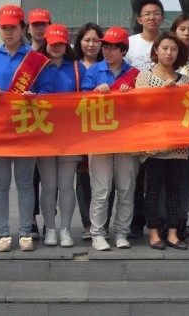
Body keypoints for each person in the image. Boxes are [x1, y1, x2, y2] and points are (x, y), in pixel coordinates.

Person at [0, 5, 53, 253]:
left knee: (25, 184)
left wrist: (35, 95)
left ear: (22, 29)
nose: (9, 32)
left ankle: (24, 232)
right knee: (0, 184)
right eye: (4, 28)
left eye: (13, 27)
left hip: (26, 128)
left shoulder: (36, 60)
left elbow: (47, 90)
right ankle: (3, 232)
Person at [82, 26, 140, 251]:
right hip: (100, 136)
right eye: (105, 46)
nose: (107, 51)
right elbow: (80, 100)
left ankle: (122, 233)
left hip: (127, 138)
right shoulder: (94, 71)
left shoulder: (135, 74)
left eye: (112, 47)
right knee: (101, 189)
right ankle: (97, 233)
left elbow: (144, 105)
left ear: (123, 50)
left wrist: (132, 94)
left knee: (126, 188)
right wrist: (95, 91)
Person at [135, 33, 189, 250]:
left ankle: (173, 233)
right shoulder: (144, 77)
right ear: (156, 51)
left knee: (174, 188)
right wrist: (162, 93)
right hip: (154, 142)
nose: (169, 53)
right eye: (165, 48)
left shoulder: (185, 80)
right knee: (154, 188)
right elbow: (140, 107)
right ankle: (153, 233)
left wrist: (177, 94)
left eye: (174, 49)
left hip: (178, 143)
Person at [36, 24, 85, 247]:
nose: (56, 47)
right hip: (43, 134)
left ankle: (65, 229)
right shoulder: (36, 66)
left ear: (67, 45)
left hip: (69, 135)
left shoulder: (77, 68)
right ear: (45, 43)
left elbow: (87, 94)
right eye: (52, 43)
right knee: (48, 186)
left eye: (60, 44)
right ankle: (50, 228)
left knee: (66, 185)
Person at [125, 0, 164, 237]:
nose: (151, 17)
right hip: (133, 117)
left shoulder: (167, 44)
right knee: (134, 175)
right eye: (147, 13)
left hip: (160, 118)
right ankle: (135, 222)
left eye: (156, 13)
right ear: (139, 19)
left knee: (157, 174)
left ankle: (157, 221)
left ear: (162, 18)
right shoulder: (129, 44)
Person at [169, 14, 189, 239]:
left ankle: (182, 218)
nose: (186, 33)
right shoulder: (167, 56)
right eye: (182, 29)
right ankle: (164, 219)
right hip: (171, 124)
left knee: (186, 175)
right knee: (168, 175)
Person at [73, 23, 107, 240]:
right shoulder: (73, 66)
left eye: (96, 40)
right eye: (87, 40)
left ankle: (103, 223)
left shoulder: (108, 65)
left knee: (105, 180)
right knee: (83, 177)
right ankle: (88, 223)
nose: (91, 44)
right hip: (78, 128)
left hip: (103, 129)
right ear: (80, 42)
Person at [26, 8, 52, 238]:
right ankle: (32, 219)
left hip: (51, 124)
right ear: (28, 28)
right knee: (30, 177)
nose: (40, 29)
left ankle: (50, 220)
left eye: (43, 24)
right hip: (26, 125)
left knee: (51, 180)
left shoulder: (56, 54)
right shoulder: (23, 55)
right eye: (36, 24)